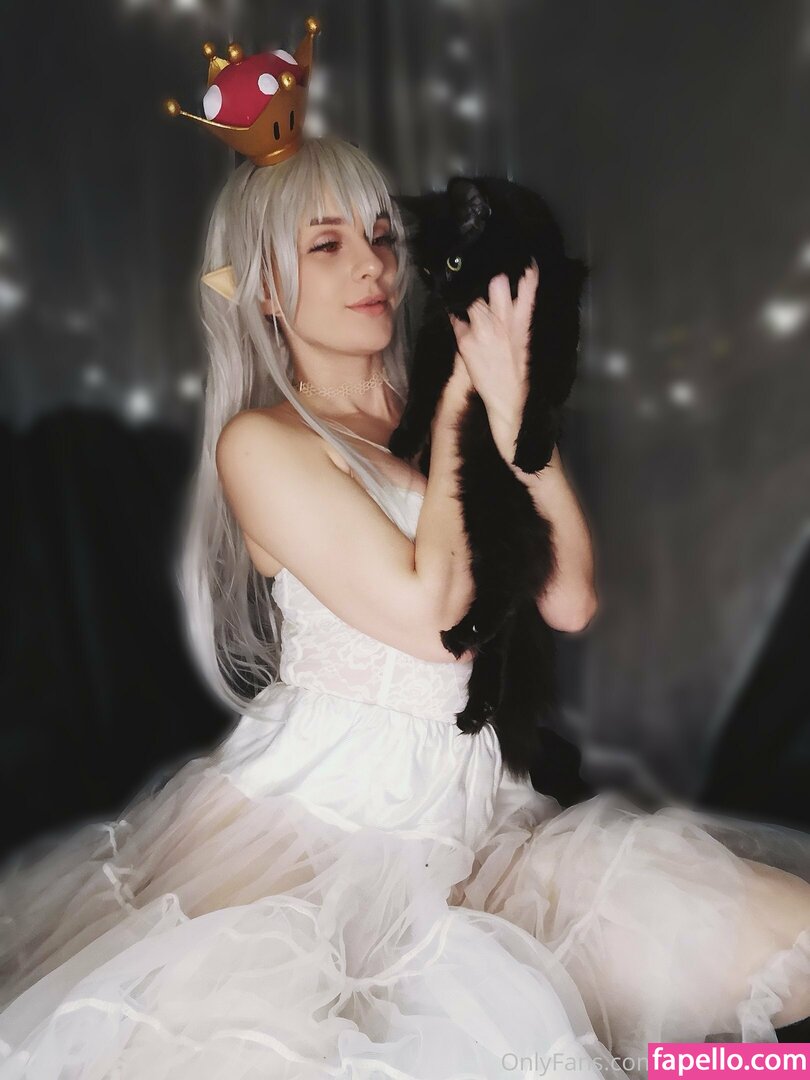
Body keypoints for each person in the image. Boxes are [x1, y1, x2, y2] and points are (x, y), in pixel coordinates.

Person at [1, 123, 809, 1080]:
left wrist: (519, 423)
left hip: (481, 819)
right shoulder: (265, 444)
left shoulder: (436, 407)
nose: (373, 266)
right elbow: (438, 622)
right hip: (331, 832)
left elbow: (571, 600)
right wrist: (466, 406)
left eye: (382, 237)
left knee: (782, 958)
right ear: (267, 289)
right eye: (327, 244)